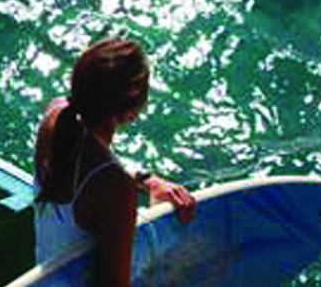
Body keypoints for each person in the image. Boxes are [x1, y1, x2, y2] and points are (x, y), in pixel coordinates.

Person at [31, 38, 197, 286]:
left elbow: (94, 169)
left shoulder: (55, 115)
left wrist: (146, 179)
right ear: (131, 110)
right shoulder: (115, 189)